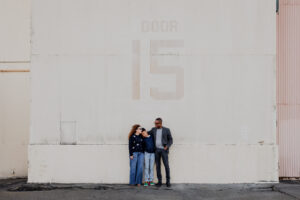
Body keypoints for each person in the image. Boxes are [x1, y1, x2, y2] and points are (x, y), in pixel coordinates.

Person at [148, 118, 173, 187]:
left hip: (164, 150)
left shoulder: (166, 130)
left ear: (160, 123)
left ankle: (168, 181)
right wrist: (140, 131)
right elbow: (146, 133)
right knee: (158, 166)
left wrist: (167, 146)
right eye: (155, 123)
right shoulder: (153, 129)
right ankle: (159, 182)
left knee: (166, 165)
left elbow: (170, 140)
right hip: (156, 150)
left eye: (157, 123)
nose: (155, 124)